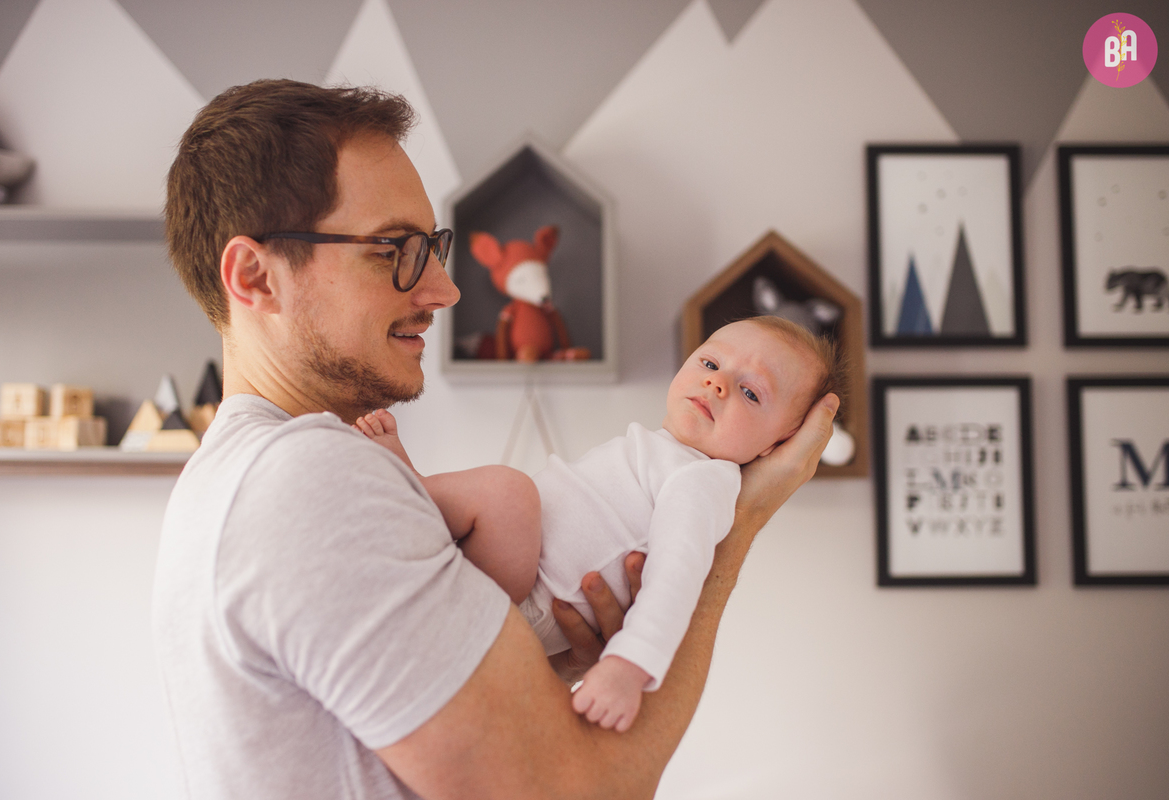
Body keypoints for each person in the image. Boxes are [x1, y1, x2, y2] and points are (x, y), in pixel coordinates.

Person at [153, 78, 838, 800]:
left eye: (433, 247)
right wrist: (737, 530)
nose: (445, 291)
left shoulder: (238, 475)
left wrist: (534, 669)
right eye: (394, 249)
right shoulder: (307, 480)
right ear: (255, 277)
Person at [356, 315, 844, 732]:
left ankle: (412, 491)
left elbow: (676, 578)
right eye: (711, 364)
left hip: (527, 599)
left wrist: (628, 665)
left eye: (751, 393)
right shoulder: (666, 453)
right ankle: (417, 497)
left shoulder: (701, 480)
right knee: (507, 495)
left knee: (508, 491)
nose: (717, 384)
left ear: (774, 447)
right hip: (505, 576)